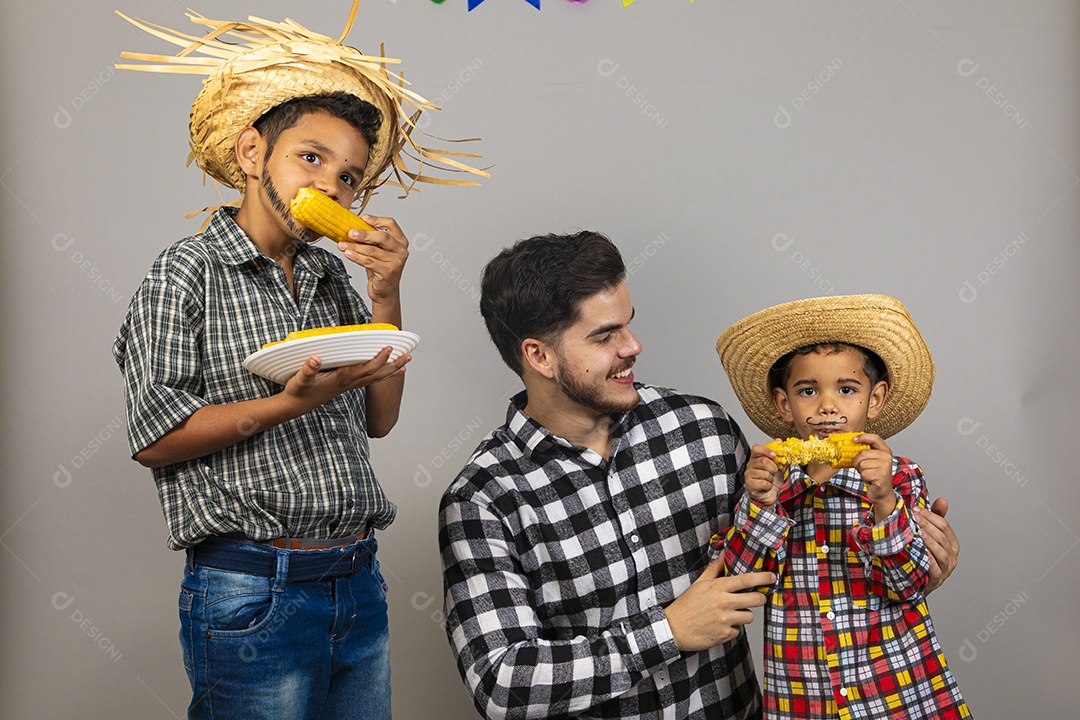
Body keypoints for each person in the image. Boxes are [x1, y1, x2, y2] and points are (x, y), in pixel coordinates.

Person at [112, 7, 482, 719]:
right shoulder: (183, 275)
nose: (333, 188)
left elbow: (380, 416)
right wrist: (289, 403)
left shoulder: (332, 279)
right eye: (309, 158)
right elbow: (152, 437)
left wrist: (386, 291)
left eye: (347, 178)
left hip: (356, 578)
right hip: (254, 587)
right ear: (253, 154)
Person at [439, 236, 960, 720]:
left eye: (628, 323)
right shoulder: (484, 499)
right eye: (605, 336)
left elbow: (805, 545)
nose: (633, 345)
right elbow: (501, 683)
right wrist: (665, 631)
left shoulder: (703, 430)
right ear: (539, 356)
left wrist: (915, 559)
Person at [715, 295, 971, 720]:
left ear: (875, 399)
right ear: (784, 404)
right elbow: (742, 588)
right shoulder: (767, 489)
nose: (827, 406)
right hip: (804, 700)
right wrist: (762, 506)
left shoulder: (902, 479)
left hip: (898, 694)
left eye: (847, 389)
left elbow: (908, 585)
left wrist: (885, 501)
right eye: (808, 390)